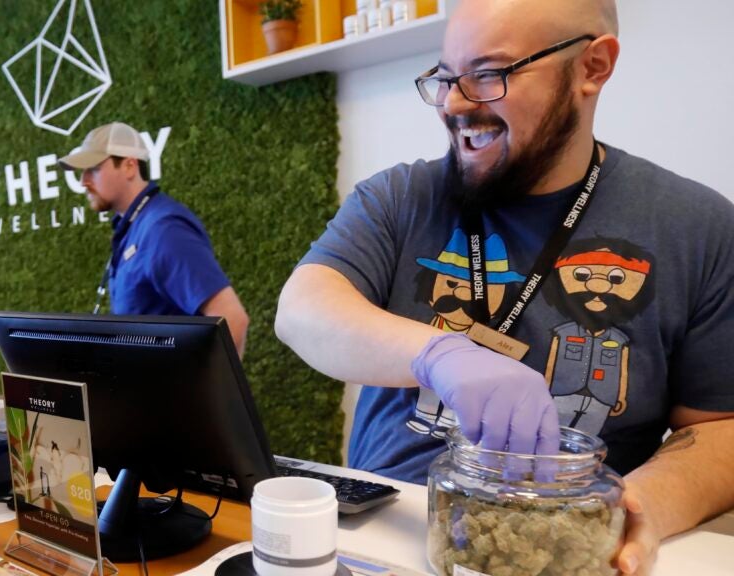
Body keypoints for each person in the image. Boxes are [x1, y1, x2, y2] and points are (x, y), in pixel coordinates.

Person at [273, 1, 734, 573]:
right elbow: (303, 308)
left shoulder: (698, 229)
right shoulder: (400, 197)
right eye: (446, 78)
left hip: (567, 548)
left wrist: (641, 507)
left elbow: (721, 426)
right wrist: (438, 354)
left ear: (592, 66)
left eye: (489, 75)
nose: (455, 104)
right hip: (391, 539)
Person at [59, 122, 250, 356]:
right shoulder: (135, 226)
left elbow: (233, 319)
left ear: (129, 166)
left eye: (93, 169)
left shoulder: (163, 230)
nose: (83, 181)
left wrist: (195, 382)